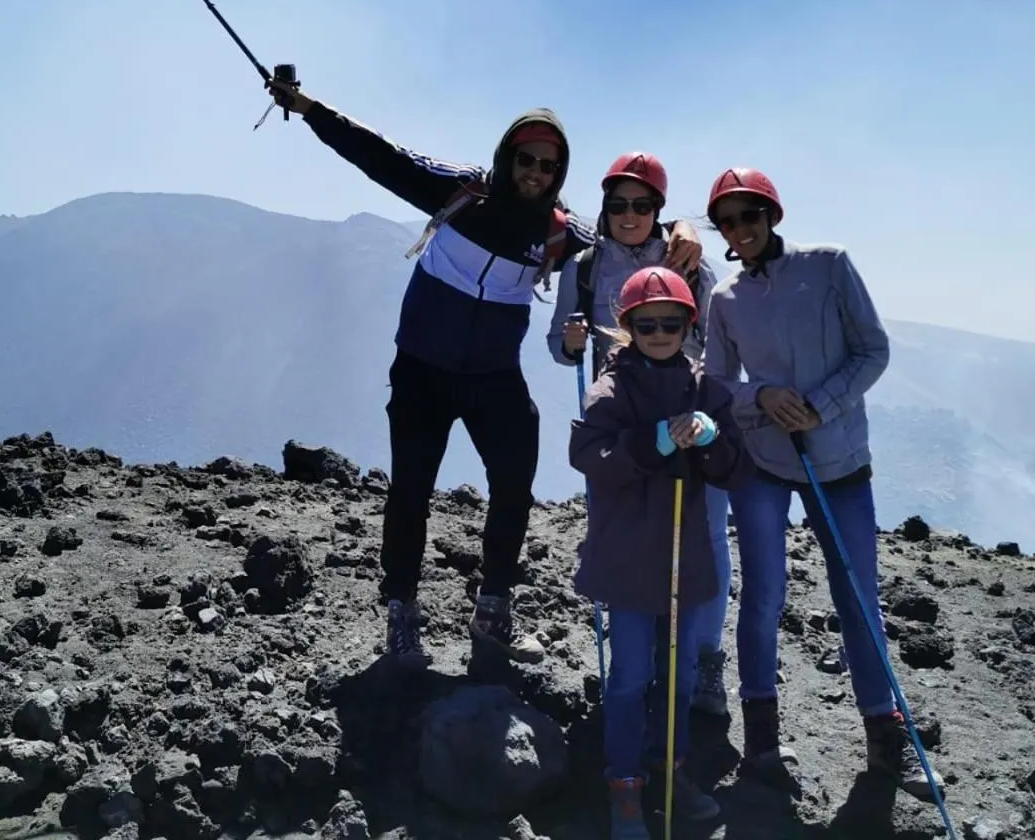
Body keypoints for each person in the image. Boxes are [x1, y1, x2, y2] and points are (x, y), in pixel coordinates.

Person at [264, 77, 705, 666]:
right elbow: (380, 156)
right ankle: (401, 613)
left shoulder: (559, 231)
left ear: (559, 171)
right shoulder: (460, 190)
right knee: (410, 493)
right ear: (507, 155)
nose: (536, 172)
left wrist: (684, 230)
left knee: (514, 487)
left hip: (493, 377)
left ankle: (492, 610)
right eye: (527, 159)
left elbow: (627, 235)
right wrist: (309, 108)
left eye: (549, 165)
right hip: (421, 369)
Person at [700, 167, 944, 801]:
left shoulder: (831, 265)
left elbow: (874, 350)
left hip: (837, 460)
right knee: (763, 595)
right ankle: (760, 743)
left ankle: (885, 742)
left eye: (749, 214)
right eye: (727, 220)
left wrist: (821, 404)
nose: (740, 229)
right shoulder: (724, 299)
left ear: (771, 214)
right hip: (764, 459)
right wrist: (764, 395)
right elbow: (718, 385)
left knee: (859, 599)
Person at [569, 266, 755, 838]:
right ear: (626, 326)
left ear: (687, 323)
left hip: (682, 555)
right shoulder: (610, 389)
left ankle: (666, 772)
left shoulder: (706, 390)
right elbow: (588, 458)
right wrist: (650, 443)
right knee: (629, 676)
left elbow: (734, 469)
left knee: (673, 677)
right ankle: (624, 784)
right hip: (630, 560)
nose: (658, 331)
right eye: (645, 323)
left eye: (670, 322)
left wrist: (712, 440)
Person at [547, 152, 732, 716]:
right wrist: (571, 342)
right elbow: (560, 345)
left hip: (686, 413)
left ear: (659, 208)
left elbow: (716, 342)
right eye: (618, 204)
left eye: (643, 204)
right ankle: (639, 655)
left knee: (705, 536)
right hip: (623, 419)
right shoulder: (585, 264)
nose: (630, 214)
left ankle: (701, 663)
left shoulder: (690, 262)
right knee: (625, 536)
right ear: (604, 207)